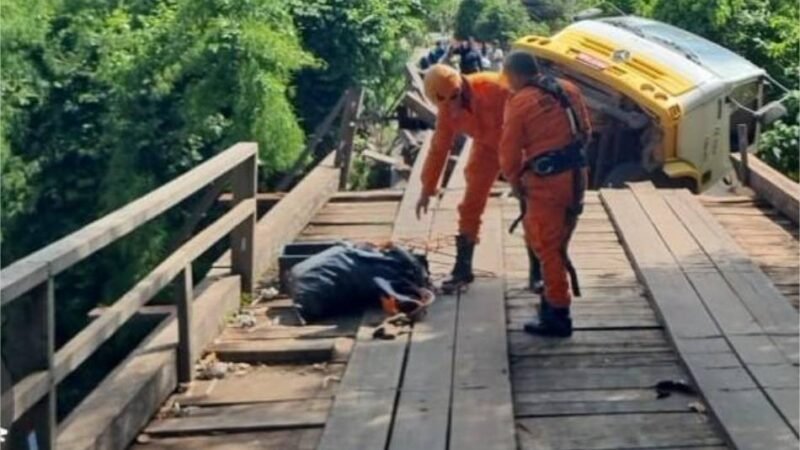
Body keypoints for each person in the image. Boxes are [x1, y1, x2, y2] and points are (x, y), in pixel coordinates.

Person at [499, 51, 593, 337]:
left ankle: (557, 315)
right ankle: (551, 299)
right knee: (559, 241)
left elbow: (509, 152)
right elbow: (586, 131)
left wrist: (516, 182)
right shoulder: (569, 89)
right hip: (577, 178)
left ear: (515, 75)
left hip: (547, 184)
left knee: (548, 246)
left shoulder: (520, 102)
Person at [416, 64, 519, 293]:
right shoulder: (445, 112)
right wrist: (427, 188)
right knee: (470, 204)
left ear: (461, 86)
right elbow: (438, 149)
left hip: (518, 145)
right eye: (445, 103)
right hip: (486, 148)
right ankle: (463, 269)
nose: (453, 107)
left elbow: (528, 116)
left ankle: (537, 271)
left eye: (456, 98)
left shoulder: (495, 87)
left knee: (533, 204)